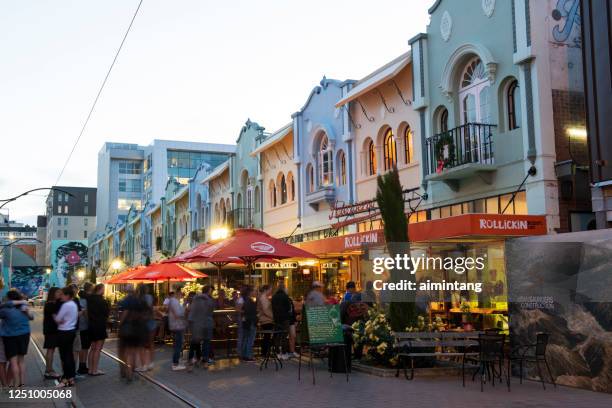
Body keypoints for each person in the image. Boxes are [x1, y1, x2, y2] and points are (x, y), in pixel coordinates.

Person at [0, 289, 33, 387]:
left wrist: (8, 303)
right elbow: (31, 317)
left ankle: (15, 386)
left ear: (9, 299)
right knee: (21, 361)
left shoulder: (5, 310)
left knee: (13, 362)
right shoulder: (24, 307)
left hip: (10, 337)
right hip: (24, 335)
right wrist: (23, 302)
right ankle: (21, 384)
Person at [117, 287, 147, 381]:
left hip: (127, 328)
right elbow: (143, 315)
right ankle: (132, 370)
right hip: (137, 329)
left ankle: (126, 371)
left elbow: (124, 312)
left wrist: (120, 323)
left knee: (125, 352)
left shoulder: (125, 301)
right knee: (133, 352)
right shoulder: (139, 301)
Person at [54, 286, 78, 387]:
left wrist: (55, 317)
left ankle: (65, 379)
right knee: (70, 356)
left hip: (64, 332)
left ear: (67, 295)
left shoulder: (66, 305)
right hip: (72, 331)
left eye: (62, 294)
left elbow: (58, 319)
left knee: (65, 356)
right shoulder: (73, 304)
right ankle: (71, 378)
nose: (61, 296)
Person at [186, 285, 215, 369]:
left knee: (195, 341)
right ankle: (205, 361)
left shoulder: (195, 299)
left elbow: (192, 310)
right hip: (207, 323)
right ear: (209, 291)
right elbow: (211, 311)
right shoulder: (210, 300)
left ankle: (192, 359)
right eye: (211, 291)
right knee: (206, 342)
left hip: (197, 324)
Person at [87, 283, 109, 376]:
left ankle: (90, 369)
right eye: (104, 289)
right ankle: (95, 370)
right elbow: (106, 314)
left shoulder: (89, 299)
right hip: (100, 326)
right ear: (100, 290)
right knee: (98, 349)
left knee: (92, 348)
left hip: (91, 325)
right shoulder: (102, 301)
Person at [42, 286, 62, 379]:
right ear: (53, 294)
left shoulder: (52, 303)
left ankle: (49, 370)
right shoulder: (51, 304)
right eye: (58, 292)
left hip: (50, 330)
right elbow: (56, 319)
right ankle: (49, 371)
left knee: (51, 350)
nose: (60, 294)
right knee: (50, 350)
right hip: (51, 330)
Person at [135, 284, 155, 372]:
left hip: (141, 323)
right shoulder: (150, 297)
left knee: (141, 345)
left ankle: (143, 365)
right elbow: (151, 309)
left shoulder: (138, 299)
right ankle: (151, 363)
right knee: (150, 343)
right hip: (151, 322)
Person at [271, 282, 292, 360]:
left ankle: (276, 352)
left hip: (276, 318)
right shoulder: (285, 296)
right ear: (284, 288)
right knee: (284, 336)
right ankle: (283, 352)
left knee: (277, 336)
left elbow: (272, 308)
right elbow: (288, 308)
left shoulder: (274, 297)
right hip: (285, 318)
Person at [167, 290, 187, 371]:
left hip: (175, 325)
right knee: (178, 345)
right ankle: (175, 364)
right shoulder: (174, 302)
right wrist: (185, 306)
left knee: (177, 345)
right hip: (177, 326)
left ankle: (177, 361)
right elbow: (178, 314)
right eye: (181, 294)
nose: (182, 296)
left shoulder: (173, 301)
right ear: (178, 293)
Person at [77, 282, 94, 375]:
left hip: (81, 325)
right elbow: (86, 313)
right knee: (84, 346)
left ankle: (82, 365)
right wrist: (89, 322)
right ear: (90, 289)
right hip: (84, 326)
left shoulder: (81, 298)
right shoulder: (86, 299)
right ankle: (82, 366)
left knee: (84, 346)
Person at [239, 286, 257, 361]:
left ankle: (243, 355)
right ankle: (248, 355)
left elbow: (243, 311)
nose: (255, 292)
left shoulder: (245, 300)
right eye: (254, 291)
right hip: (251, 322)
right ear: (250, 292)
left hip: (246, 322)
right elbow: (250, 312)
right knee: (250, 339)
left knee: (246, 338)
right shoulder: (250, 301)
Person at [257, 285, 273, 358]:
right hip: (266, 320)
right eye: (270, 289)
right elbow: (265, 310)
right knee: (267, 336)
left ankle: (265, 352)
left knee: (267, 336)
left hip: (265, 319)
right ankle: (265, 352)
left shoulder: (263, 297)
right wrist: (273, 317)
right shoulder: (263, 297)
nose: (271, 291)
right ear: (267, 289)